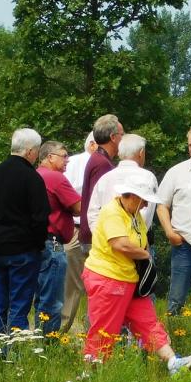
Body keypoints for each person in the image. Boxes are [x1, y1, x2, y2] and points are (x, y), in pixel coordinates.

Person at [81, 176, 191, 374]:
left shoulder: (134, 215)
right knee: (104, 328)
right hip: (108, 279)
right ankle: (92, 372)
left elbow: (140, 242)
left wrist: (143, 257)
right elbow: (120, 244)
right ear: (132, 196)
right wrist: (146, 256)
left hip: (130, 279)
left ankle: (173, 363)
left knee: (147, 321)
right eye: (143, 199)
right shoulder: (112, 212)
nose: (145, 204)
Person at [0, 128, 50, 336]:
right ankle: (13, 354)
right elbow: (41, 217)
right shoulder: (32, 178)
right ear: (29, 151)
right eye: (36, 151)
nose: (36, 155)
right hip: (23, 251)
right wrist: (37, 245)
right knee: (19, 306)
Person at [156, 125, 191, 316]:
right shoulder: (176, 172)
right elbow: (161, 204)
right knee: (177, 297)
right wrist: (170, 232)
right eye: (190, 144)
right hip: (184, 243)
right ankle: (172, 334)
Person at [34, 140, 81, 332]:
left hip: (33, 242)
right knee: (51, 299)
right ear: (49, 157)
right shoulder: (55, 178)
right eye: (64, 155)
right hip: (52, 243)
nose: (67, 160)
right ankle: (48, 343)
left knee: (39, 296)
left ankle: (36, 337)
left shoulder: (34, 175)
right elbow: (78, 207)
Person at [87, 133, 160, 234]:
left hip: (107, 242)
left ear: (119, 153)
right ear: (141, 153)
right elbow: (146, 214)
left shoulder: (105, 178)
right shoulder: (148, 177)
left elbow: (92, 213)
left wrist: (101, 236)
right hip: (136, 243)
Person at [60, 132, 95, 333]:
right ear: (91, 144)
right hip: (76, 229)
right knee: (74, 283)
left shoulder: (106, 166)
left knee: (88, 284)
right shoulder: (72, 163)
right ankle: (63, 330)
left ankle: (89, 331)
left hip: (90, 230)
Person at [76, 115, 123, 252]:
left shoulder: (98, 158)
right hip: (96, 239)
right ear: (113, 137)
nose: (124, 139)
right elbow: (100, 205)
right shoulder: (102, 163)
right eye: (122, 134)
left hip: (92, 236)